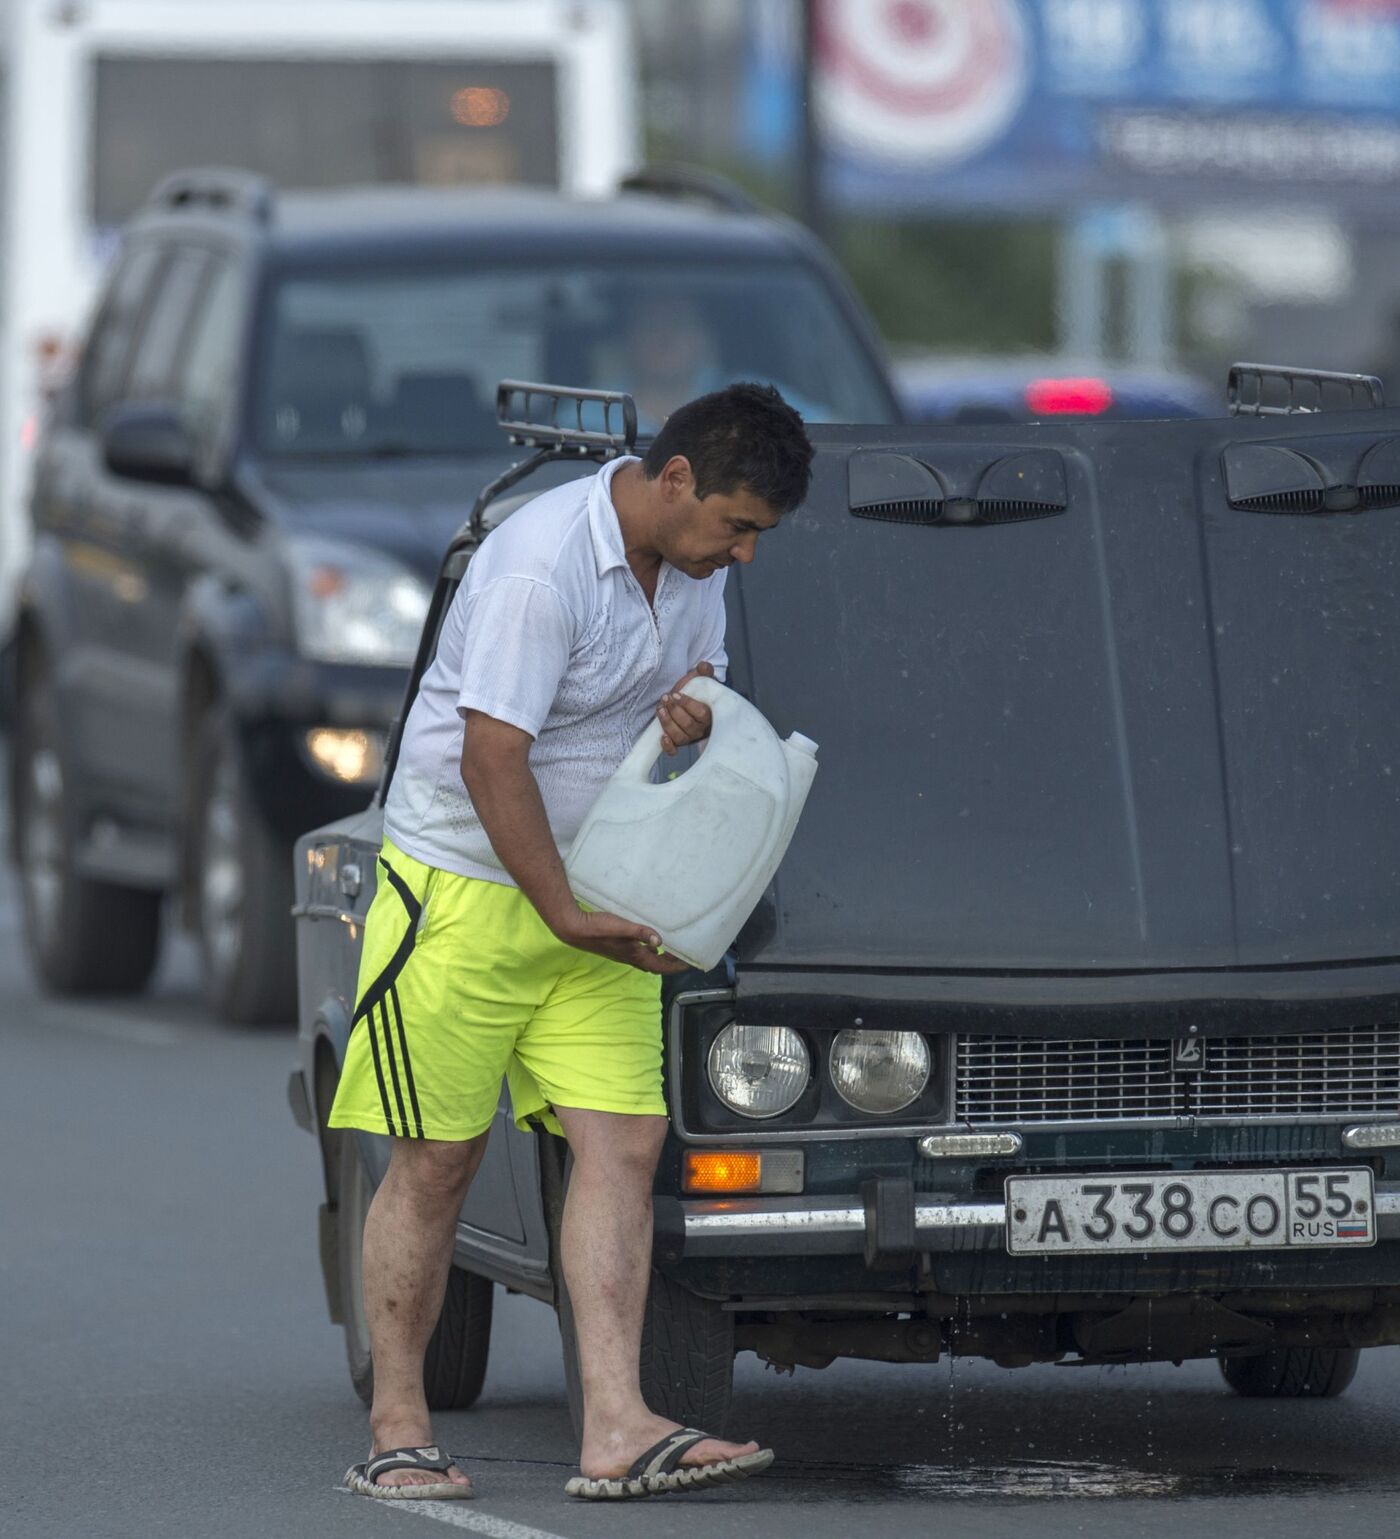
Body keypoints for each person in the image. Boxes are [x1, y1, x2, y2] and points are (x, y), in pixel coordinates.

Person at [328, 382, 815, 1502]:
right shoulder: (540, 565)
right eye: (736, 524)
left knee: (624, 1146)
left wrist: (687, 716)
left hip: (594, 900)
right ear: (677, 476)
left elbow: (687, 698)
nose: (741, 554)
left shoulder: (691, 578)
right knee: (436, 1159)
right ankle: (399, 1424)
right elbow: (489, 757)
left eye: (757, 537)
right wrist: (556, 909)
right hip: (459, 893)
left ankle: (615, 1424)